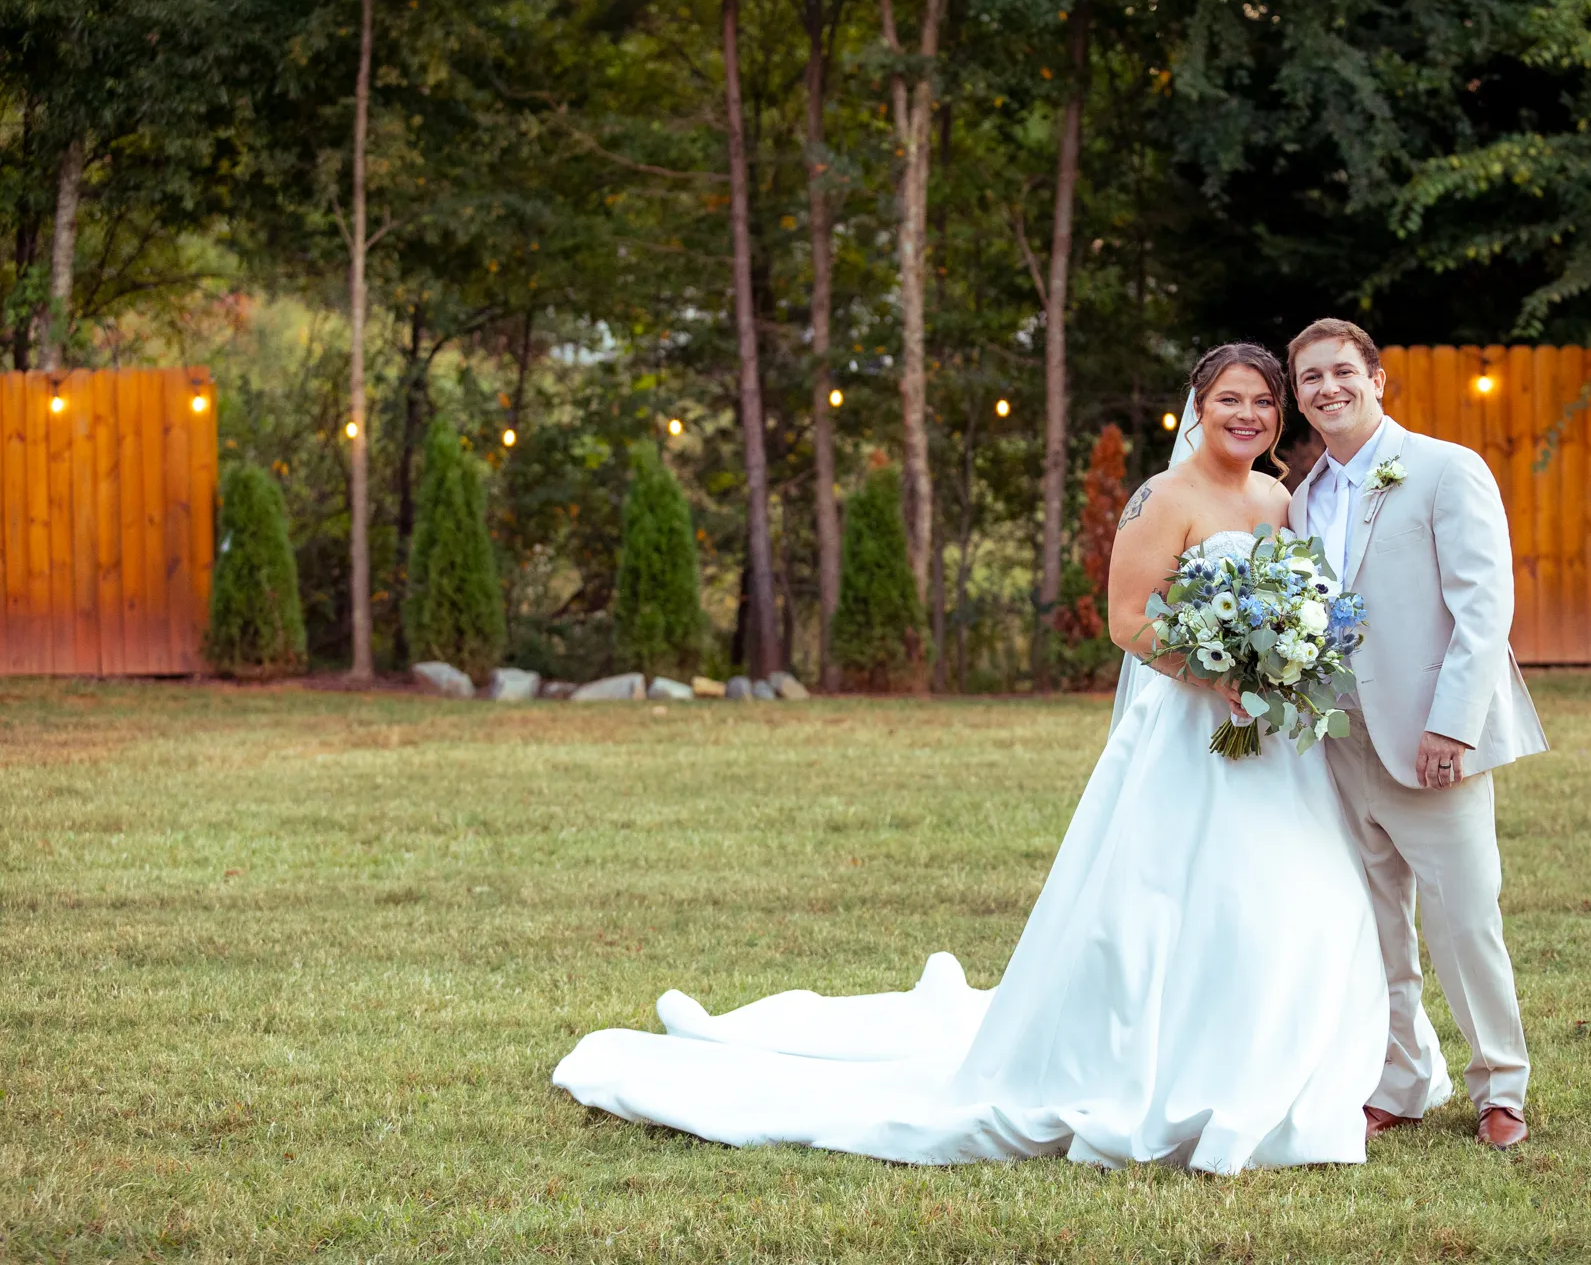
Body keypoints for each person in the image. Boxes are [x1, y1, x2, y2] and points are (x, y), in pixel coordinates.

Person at [552, 342, 1390, 1173]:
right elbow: (1128, 621)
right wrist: (1213, 677)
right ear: (1197, 408)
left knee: (1289, 896)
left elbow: (1298, 600)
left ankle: (1274, 1065)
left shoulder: (1280, 498)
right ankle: (1157, 1063)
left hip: (1268, 739)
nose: (1248, 415)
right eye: (1230, 400)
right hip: (1188, 731)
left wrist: (1277, 662)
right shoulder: (1160, 498)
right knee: (1165, 905)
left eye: (1263, 403)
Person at [1285, 318, 1549, 1150]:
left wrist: (1454, 727)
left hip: (1432, 740)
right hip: (1339, 744)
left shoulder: (1444, 469)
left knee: (1464, 921)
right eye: (1309, 380)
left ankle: (1500, 1088)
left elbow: (1483, 607)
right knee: (1375, 925)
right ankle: (1399, 1080)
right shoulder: (1302, 496)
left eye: (1340, 373)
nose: (1326, 389)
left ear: (1375, 378)